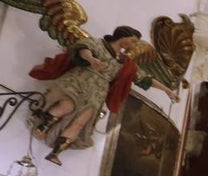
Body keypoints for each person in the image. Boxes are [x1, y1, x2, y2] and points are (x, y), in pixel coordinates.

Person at [28, 26, 179, 165]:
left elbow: (144, 79)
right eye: (132, 41)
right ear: (123, 36)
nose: (133, 45)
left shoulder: (125, 62)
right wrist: (92, 60)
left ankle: (56, 153)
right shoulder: (98, 44)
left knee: (81, 122)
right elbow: (83, 49)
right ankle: (42, 127)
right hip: (81, 80)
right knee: (67, 105)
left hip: (98, 91)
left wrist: (167, 90)